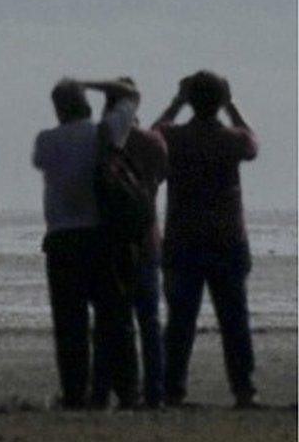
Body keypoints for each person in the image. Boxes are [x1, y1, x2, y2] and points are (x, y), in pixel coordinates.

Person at [32, 77, 140, 410]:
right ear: (86, 104)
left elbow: (40, 162)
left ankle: (76, 392)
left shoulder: (47, 141)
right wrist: (89, 82)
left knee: (69, 324)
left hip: (62, 238)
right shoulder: (104, 132)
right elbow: (132, 94)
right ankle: (126, 391)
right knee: (114, 319)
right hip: (101, 236)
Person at [153, 71, 259, 407]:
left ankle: (172, 389)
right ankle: (243, 389)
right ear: (218, 102)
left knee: (180, 322)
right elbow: (252, 143)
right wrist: (232, 106)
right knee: (235, 321)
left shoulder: (174, 138)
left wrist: (176, 103)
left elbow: (151, 136)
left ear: (192, 101)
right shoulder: (230, 140)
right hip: (227, 239)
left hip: (183, 239)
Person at [90, 104, 168, 409]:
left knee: (112, 322)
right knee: (149, 322)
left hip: (113, 244)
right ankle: (155, 393)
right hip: (147, 241)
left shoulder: (102, 145)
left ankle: (109, 392)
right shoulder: (153, 143)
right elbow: (161, 172)